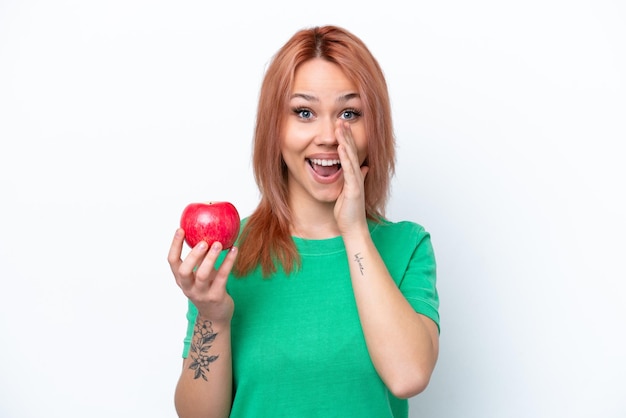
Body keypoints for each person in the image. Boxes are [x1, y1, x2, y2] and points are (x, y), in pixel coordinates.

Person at [167, 25, 440, 418]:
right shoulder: (228, 252)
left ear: (373, 128)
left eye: (349, 113)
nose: (329, 136)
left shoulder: (407, 246)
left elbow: (408, 376)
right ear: (274, 128)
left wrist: (354, 231)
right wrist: (212, 316)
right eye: (304, 112)